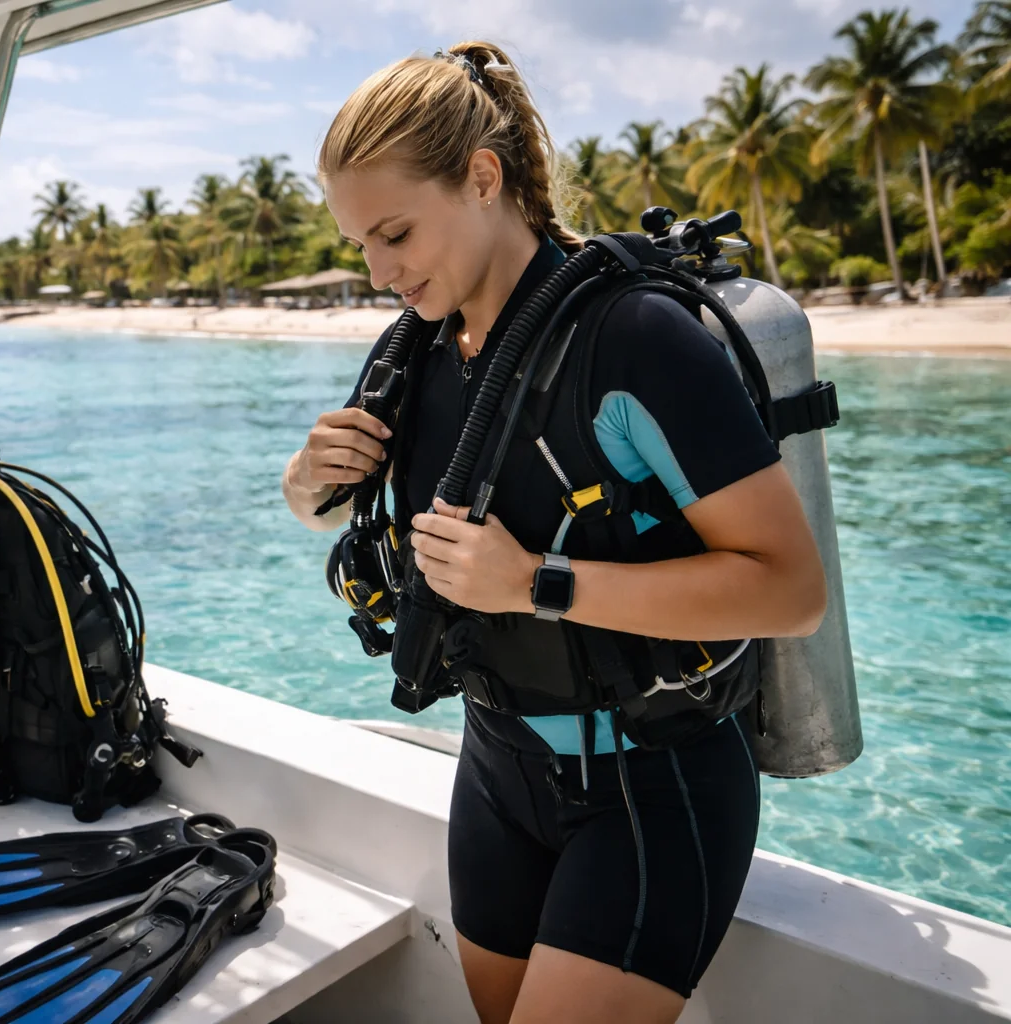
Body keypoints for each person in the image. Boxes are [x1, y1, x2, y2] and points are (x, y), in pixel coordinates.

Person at [281, 42, 828, 1024]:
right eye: (360, 243)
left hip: (653, 787)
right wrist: (303, 479)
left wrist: (541, 582)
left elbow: (791, 587)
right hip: (495, 770)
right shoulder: (416, 355)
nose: (377, 272)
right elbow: (339, 519)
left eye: (394, 233)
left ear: (482, 178)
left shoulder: (636, 341)